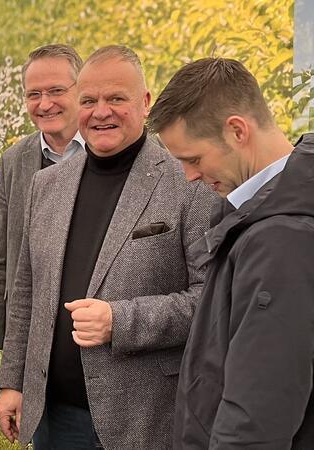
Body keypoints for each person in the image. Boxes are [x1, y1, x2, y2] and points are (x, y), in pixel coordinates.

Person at [0, 45, 217, 449]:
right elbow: (27, 294)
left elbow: (212, 300)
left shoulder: (188, 183)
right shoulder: (46, 186)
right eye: (89, 100)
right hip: (55, 418)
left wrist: (121, 320)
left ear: (145, 102)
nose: (101, 112)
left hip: (144, 420)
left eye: (116, 98)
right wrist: (13, 382)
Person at [148, 57, 314, 449]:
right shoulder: (262, 215)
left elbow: (257, 412)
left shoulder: (280, 237)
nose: (189, 176)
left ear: (237, 130)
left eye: (193, 159)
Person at [0, 44, 84, 389]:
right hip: (36, 346)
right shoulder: (15, 161)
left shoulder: (107, 152)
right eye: (33, 94)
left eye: (56, 91)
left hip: (92, 339)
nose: (44, 103)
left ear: (81, 91)